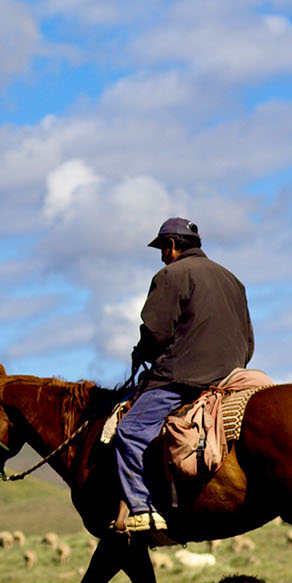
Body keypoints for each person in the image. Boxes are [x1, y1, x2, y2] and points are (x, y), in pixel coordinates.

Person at [114, 217, 254, 535]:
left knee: (131, 430)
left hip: (183, 378)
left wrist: (142, 354)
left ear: (172, 246)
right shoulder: (232, 279)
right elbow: (249, 341)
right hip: (232, 375)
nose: (162, 256)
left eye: (162, 248)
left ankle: (142, 509)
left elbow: (155, 331)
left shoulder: (171, 274)